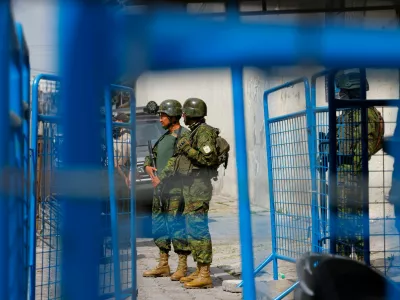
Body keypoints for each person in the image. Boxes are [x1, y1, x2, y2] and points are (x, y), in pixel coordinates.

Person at [330, 72, 384, 261]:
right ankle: (344, 264)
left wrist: (353, 175)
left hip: (353, 175)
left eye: (344, 91)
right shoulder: (349, 111)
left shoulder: (364, 113)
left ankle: (361, 264)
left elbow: (363, 147)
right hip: (344, 174)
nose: (340, 94)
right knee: (342, 223)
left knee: (355, 222)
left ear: (354, 91)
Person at [167, 98, 219, 289]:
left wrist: (187, 148)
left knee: (198, 228)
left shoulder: (204, 132)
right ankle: (199, 269)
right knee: (192, 228)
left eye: (185, 113)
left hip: (199, 188)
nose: (183, 116)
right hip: (191, 188)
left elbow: (209, 157)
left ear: (191, 114)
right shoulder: (196, 131)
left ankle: (205, 274)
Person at [142, 99, 192, 281]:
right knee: (160, 225)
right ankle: (163, 264)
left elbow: (180, 162)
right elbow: (151, 156)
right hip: (159, 189)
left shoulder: (184, 136)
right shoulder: (163, 137)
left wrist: (161, 178)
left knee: (176, 226)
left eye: (163, 115)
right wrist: (148, 167)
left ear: (172, 116)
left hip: (175, 189)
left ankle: (182, 266)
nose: (160, 119)